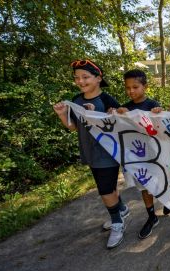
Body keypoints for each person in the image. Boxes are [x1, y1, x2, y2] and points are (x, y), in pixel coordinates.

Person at [53, 59, 129, 249]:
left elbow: (121, 122)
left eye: (85, 77)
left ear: (98, 78)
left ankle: (118, 223)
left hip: (108, 153)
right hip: (89, 152)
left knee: (105, 190)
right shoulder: (76, 100)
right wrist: (62, 114)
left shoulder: (106, 100)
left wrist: (112, 114)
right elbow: (72, 127)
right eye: (77, 78)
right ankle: (122, 209)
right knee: (109, 187)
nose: (81, 81)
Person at [112, 69, 163, 239]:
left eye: (135, 87)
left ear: (145, 87)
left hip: (155, 154)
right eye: (128, 88)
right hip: (138, 157)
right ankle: (151, 216)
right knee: (145, 186)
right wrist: (118, 116)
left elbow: (161, 128)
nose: (131, 91)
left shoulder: (152, 105)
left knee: (161, 181)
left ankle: (169, 202)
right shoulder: (125, 108)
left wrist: (158, 114)